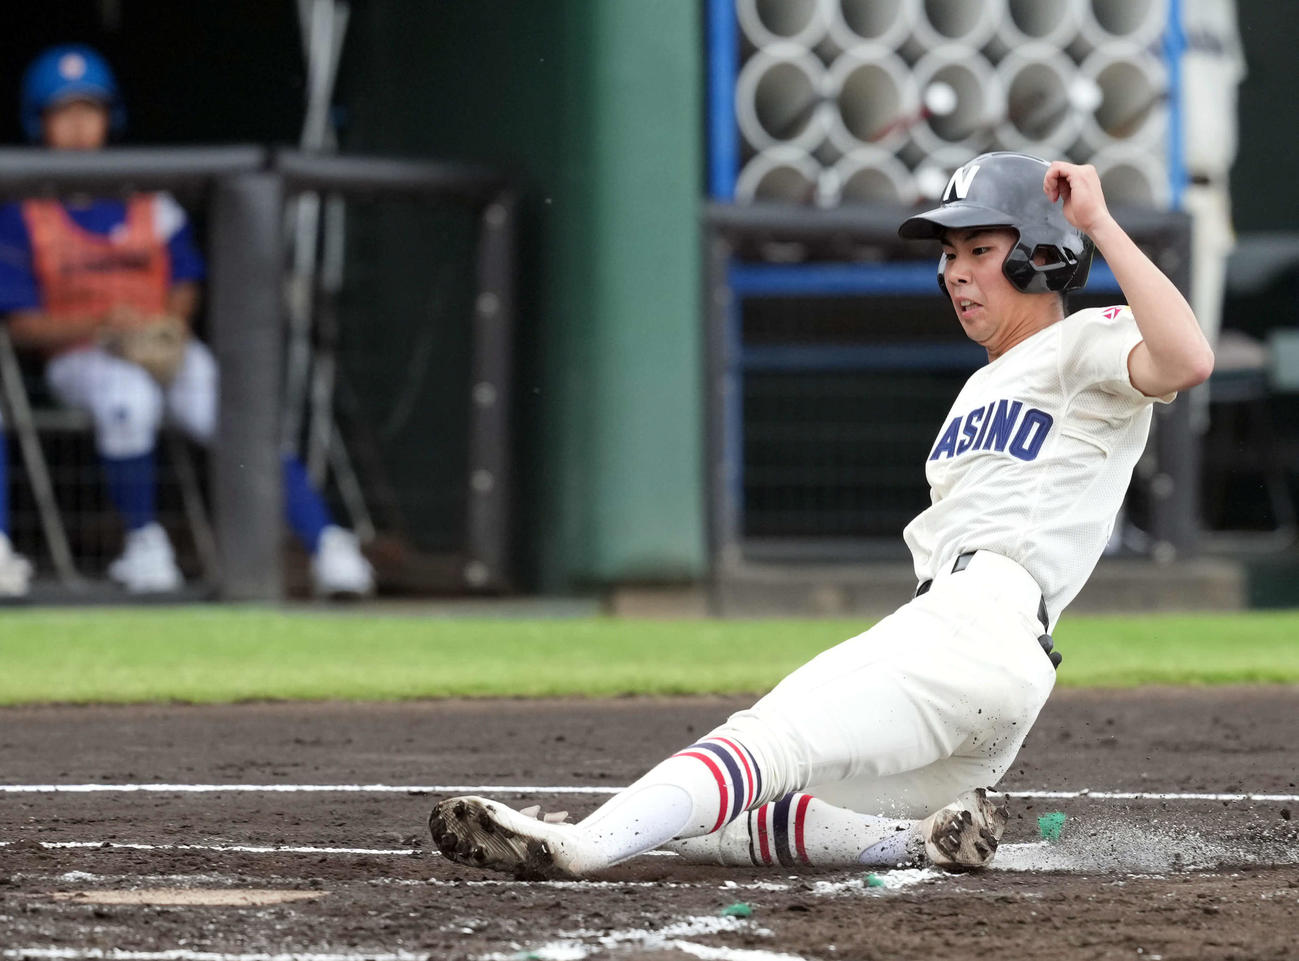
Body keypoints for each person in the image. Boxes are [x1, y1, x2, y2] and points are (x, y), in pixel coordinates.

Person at [428, 152, 1214, 878]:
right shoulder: (980, 387)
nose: (955, 272)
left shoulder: (1083, 341)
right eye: (948, 254)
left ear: (1037, 254)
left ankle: (577, 847)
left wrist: (1100, 226)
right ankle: (922, 840)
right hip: (1000, 671)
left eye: (979, 249)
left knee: (764, 740)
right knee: (731, 819)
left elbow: (1186, 359)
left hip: (972, 625)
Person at [0, 45, 373, 596]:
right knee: (130, 399)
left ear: (110, 117)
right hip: (82, 355)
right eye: (64, 112)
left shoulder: (149, 193)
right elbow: (21, 326)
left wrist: (165, 328)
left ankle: (328, 544)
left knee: (242, 413)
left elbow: (184, 283)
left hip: (158, 347)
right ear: (40, 121)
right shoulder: (21, 207)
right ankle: (146, 547)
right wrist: (104, 327)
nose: (80, 125)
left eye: (90, 110)